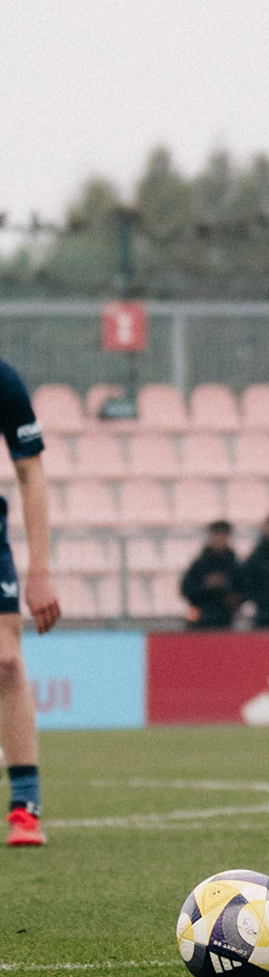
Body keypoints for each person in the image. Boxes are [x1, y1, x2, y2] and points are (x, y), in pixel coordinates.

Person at [0, 357, 59, 847]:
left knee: (5, 661)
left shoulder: (4, 378)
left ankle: (24, 806)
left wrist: (38, 570)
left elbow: (30, 473)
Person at [180, 520, 243, 629]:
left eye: (223, 536)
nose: (219, 539)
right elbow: (186, 589)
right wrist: (205, 585)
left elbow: (243, 591)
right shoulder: (200, 564)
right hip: (201, 621)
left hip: (226, 620)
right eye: (216, 535)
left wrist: (228, 590)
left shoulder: (235, 565)